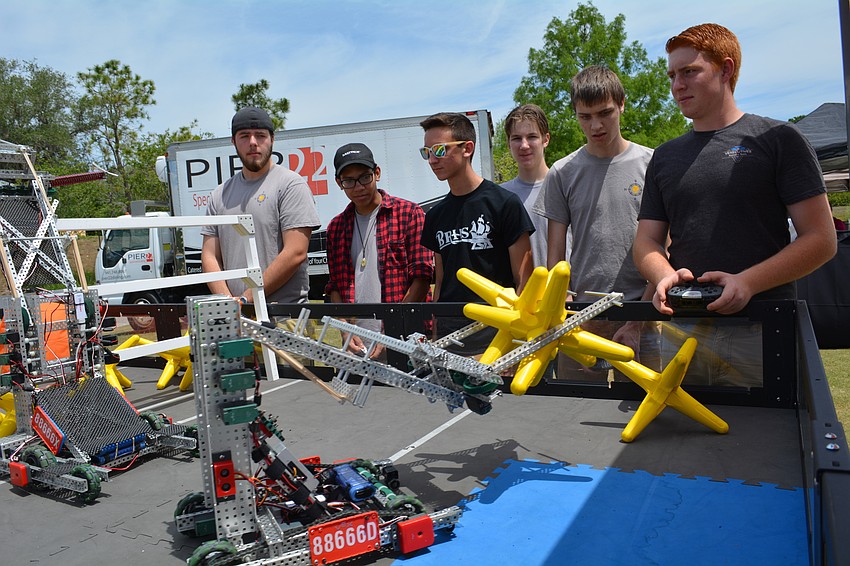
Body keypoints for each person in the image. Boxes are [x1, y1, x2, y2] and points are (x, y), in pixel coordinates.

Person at [633, 23, 837, 387]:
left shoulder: (778, 139)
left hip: (762, 327)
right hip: (682, 330)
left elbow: (821, 239)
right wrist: (663, 276)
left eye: (689, 72)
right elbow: (646, 242)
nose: (676, 85)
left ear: (726, 69)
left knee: (766, 439)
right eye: (672, 75)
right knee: (680, 440)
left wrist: (747, 283)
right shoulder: (664, 157)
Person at [532, 66, 657, 379]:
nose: (596, 125)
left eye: (605, 113)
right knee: (577, 416)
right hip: (583, 315)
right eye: (584, 116)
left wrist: (638, 321)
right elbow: (554, 257)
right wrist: (563, 307)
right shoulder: (562, 172)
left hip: (646, 310)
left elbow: (665, 246)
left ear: (622, 104)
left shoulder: (653, 164)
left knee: (649, 417)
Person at [419, 112, 534, 350]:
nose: (432, 160)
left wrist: (518, 340)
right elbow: (440, 282)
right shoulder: (435, 215)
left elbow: (524, 280)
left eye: (439, 150)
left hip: (496, 330)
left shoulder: (504, 203)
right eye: (427, 152)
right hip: (451, 333)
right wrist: (437, 335)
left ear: (467, 148)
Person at [201, 107, 320, 305]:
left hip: (284, 317)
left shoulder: (290, 185)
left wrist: (246, 298)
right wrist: (229, 303)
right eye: (244, 136)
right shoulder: (219, 195)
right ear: (233, 141)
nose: (253, 142)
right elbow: (209, 255)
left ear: (272, 139)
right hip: (238, 315)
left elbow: (296, 252)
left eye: (260, 135)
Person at [325, 142, 433, 357]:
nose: (358, 187)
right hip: (358, 343)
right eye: (348, 181)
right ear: (339, 183)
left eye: (365, 177)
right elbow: (334, 287)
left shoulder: (409, 213)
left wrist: (392, 331)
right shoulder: (336, 227)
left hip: (407, 338)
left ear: (377, 173)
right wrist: (345, 330)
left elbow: (421, 279)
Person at [501, 103, 569, 267]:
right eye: (517, 138)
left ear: (546, 139)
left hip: (568, 290)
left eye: (532, 137)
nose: (524, 145)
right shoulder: (501, 196)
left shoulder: (567, 186)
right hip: (522, 291)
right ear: (508, 143)